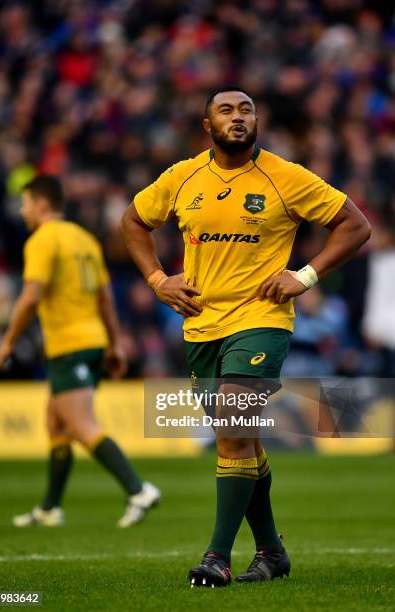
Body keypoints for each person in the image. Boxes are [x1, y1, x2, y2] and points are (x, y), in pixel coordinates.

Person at [120, 87, 370, 586]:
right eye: (226, 110)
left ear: (257, 121)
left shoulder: (285, 177)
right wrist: (157, 280)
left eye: (247, 109)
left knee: (233, 429)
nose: (238, 117)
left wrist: (304, 276)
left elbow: (354, 225)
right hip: (201, 325)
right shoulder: (182, 176)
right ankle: (273, 551)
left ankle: (216, 556)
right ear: (207, 124)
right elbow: (132, 221)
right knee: (241, 440)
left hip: (261, 320)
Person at [0, 175, 160, 529]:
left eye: (25, 203)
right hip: (93, 340)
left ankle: (138, 489)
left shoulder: (43, 239)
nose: (22, 211)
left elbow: (31, 294)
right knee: (56, 421)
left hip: (69, 344)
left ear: (41, 205)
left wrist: (8, 339)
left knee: (80, 424)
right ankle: (50, 508)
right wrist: (114, 343)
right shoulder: (85, 239)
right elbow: (105, 299)